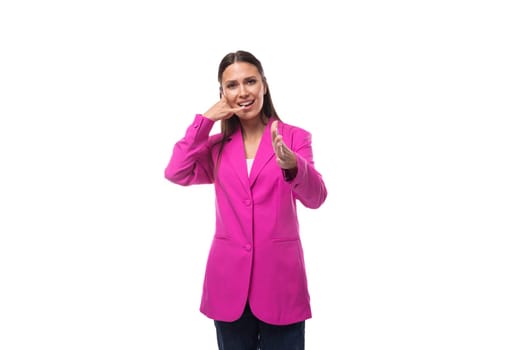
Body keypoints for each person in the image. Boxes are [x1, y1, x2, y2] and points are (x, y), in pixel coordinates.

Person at [164, 50, 328, 350]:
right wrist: (205, 121)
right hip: (228, 284)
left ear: (264, 85)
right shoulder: (216, 147)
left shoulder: (295, 138)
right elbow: (175, 171)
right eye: (232, 85)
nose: (243, 92)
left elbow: (317, 198)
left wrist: (293, 165)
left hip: (281, 283)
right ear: (222, 93)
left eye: (250, 81)